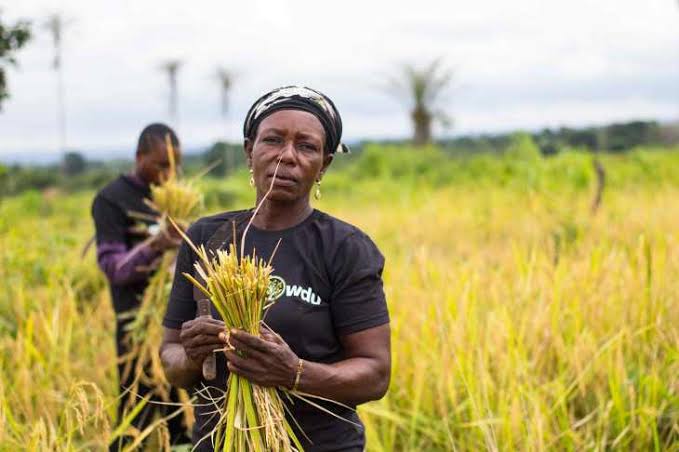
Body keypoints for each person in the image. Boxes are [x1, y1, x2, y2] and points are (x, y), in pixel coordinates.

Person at [160, 86, 392, 451]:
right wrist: (191, 355)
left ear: (324, 165)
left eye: (306, 146)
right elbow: (170, 360)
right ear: (249, 151)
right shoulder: (207, 238)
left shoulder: (344, 248)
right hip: (218, 442)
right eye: (273, 140)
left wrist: (294, 373)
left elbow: (375, 374)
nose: (287, 156)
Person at [91, 123, 191, 450]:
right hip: (134, 323)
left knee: (176, 400)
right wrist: (155, 245)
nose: (168, 175)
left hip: (173, 322)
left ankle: (178, 442)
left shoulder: (174, 200)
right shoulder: (111, 200)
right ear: (139, 157)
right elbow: (113, 268)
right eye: (161, 164)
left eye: (175, 166)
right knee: (135, 399)